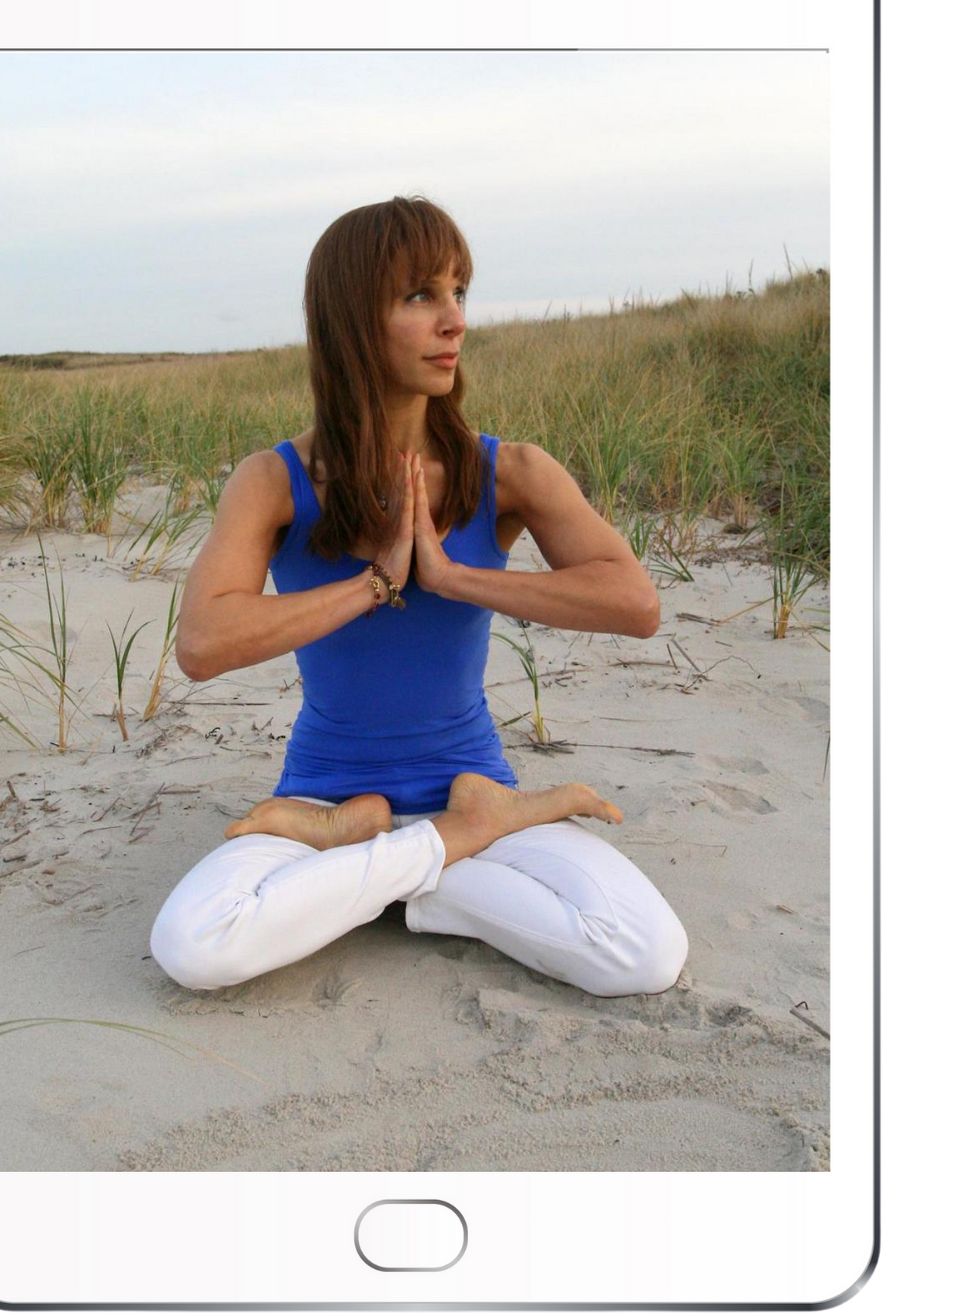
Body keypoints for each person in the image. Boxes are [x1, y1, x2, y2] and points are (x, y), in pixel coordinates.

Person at [149, 196, 689, 999]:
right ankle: (430, 847)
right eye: (420, 296)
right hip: (323, 797)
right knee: (195, 945)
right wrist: (373, 585)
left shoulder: (508, 471)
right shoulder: (275, 482)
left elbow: (635, 604)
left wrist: (452, 577)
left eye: (460, 291)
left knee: (643, 952)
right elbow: (202, 643)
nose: (454, 320)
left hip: (468, 781)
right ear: (351, 321)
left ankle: (393, 860)